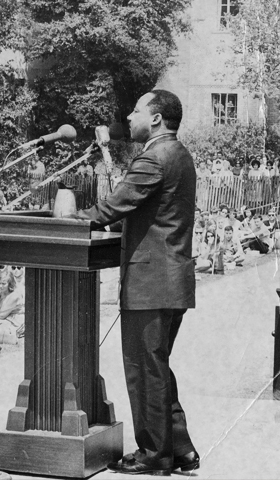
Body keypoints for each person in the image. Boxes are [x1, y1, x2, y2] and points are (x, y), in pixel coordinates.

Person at [70, 89, 197, 475]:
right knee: (156, 367)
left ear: (156, 118)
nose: (129, 113)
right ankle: (179, 449)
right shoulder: (179, 154)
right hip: (169, 280)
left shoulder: (155, 157)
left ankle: (154, 456)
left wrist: (71, 219)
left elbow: (110, 208)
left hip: (151, 282)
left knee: (144, 371)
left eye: (137, 108)